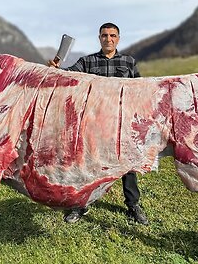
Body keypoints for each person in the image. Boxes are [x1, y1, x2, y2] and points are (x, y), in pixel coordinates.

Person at [47, 22, 148, 225]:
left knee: (128, 165)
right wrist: (56, 70)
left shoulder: (128, 62)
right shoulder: (88, 62)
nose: (108, 39)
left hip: (121, 122)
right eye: (104, 35)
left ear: (118, 38)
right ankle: (80, 205)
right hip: (94, 123)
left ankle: (133, 205)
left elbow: (140, 90)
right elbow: (69, 76)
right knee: (89, 163)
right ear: (99, 38)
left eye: (112, 35)